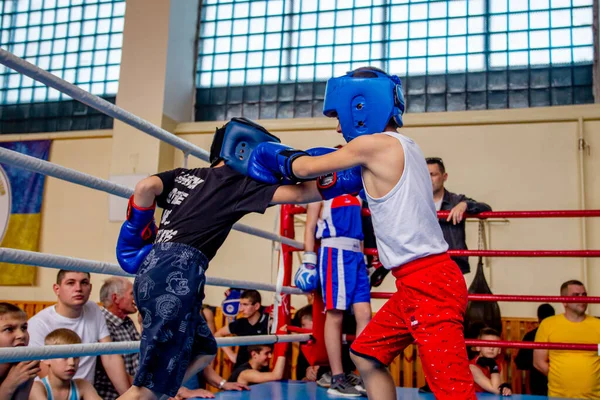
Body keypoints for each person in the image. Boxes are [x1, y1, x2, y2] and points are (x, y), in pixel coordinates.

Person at [242, 67, 477, 399]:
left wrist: (260, 152)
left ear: (361, 106)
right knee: (365, 354)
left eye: (339, 115)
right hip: (415, 283)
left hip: (430, 286)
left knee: (453, 391)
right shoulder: (404, 147)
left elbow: (304, 169)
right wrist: (250, 197)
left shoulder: (373, 145)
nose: (338, 126)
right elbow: (315, 191)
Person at [114, 117, 327, 400]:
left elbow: (143, 188)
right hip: (179, 275)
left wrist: (137, 228)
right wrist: (351, 174)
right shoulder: (239, 184)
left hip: (152, 266)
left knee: (204, 350)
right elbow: (303, 192)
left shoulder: (183, 175)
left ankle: (164, 392)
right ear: (247, 151)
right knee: (145, 389)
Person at [301, 191, 371, 396]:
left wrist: (365, 260)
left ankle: (365, 373)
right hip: (334, 252)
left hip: (357, 255)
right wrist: (308, 260)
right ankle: (338, 377)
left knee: (364, 314)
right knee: (335, 313)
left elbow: (360, 231)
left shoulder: (357, 191)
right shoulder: (321, 189)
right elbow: (310, 225)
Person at [27, 270, 131, 394]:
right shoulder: (39, 323)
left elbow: (109, 355)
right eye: (70, 283)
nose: (78, 288)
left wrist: (129, 395)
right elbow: (45, 371)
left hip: (87, 393)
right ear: (57, 289)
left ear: (90, 288)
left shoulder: (93, 310)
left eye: (84, 283)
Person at [534, 280, 600, 398]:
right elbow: (538, 362)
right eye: (576, 295)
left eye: (584, 295)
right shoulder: (548, 324)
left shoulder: (598, 325)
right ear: (564, 301)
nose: (582, 299)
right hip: (558, 396)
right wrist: (559, 377)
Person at [426, 157, 492, 274]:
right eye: (425, 175)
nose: (428, 179)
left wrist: (465, 205)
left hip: (451, 264)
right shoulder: (417, 203)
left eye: (433, 174)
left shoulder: (456, 201)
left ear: (444, 176)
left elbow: (486, 209)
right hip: (425, 263)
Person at [95, 277, 141, 399]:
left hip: (137, 391)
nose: (136, 298)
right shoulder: (102, 324)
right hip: (113, 396)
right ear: (115, 298)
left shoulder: (127, 322)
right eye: (132, 293)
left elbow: (141, 358)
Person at [30, 329, 102, 400]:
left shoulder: (82, 385)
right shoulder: (36, 387)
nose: (72, 363)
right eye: (65, 356)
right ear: (47, 359)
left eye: (76, 357)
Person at [214, 290, 269, 370]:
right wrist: (231, 355)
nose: (241, 309)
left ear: (256, 306)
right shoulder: (240, 323)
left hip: (260, 371)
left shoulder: (267, 322)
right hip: (240, 369)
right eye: (240, 304)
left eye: (245, 305)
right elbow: (217, 334)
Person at [0, 302, 39, 400]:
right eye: (9, 329)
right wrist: (9, 384)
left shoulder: (25, 365)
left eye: (24, 328)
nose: (21, 335)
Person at [514, 303, 555, 395]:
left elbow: (521, 363)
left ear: (538, 318)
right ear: (554, 317)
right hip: (558, 380)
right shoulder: (559, 335)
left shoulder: (531, 335)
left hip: (537, 383)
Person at [469, 327, 512, 396]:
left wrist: (505, 389)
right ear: (478, 347)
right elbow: (496, 389)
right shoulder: (472, 367)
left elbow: (501, 384)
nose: (491, 348)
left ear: (499, 350)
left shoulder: (498, 364)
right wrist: (493, 365)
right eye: (487, 344)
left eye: (495, 345)